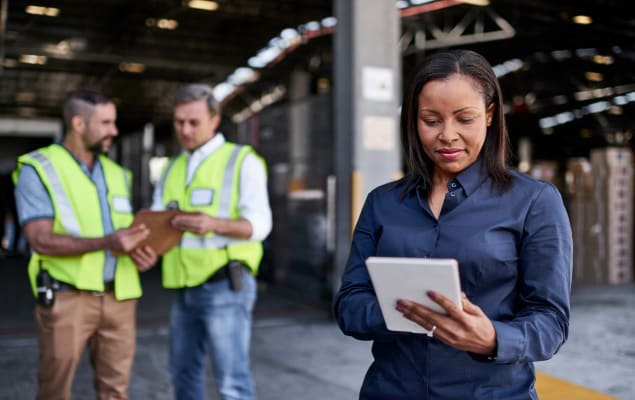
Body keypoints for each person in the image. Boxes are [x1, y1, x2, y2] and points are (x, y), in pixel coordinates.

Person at [334, 49, 572, 399]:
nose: (447, 135)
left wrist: (492, 338)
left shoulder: (534, 202)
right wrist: (407, 311)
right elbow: (349, 305)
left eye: (464, 119)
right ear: (414, 120)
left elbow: (550, 320)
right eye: (431, 120)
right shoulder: (382, 203)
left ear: (489, 116)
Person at [13, 89, 158, 400]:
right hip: (68, 299)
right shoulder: (39, 168)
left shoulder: (119, 174)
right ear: (78, 124)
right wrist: (108, 242)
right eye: (106, 123)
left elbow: (123, 234)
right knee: (55, 392)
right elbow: (40, 240)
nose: (114, 132)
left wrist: (140, 253)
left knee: (116, 392)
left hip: (120, 298)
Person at [149, 83, 272, 400]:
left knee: (232, 382)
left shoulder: (242, 161)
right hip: (183, 285)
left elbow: (260, 225)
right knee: (182, 374)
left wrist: (212, 224)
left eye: (194, 122)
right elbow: (157, 220)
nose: (185, 130)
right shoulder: (172, 168)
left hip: (225, 285)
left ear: (214, 120)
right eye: (179, 122)